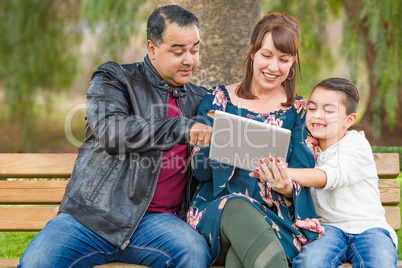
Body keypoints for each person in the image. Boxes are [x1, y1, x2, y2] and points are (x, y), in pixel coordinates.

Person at [18, 5, 213, 268]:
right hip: (91, 218)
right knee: (36, 263)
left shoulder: (200, 100)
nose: (189, 59)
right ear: (152, 49)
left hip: (157, 223)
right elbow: (113, 134)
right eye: (178, 51)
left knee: (194, 253)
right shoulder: (114, 79)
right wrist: (181, 127)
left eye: (194, 50)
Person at [186, 11, 324, 268]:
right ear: (252, 53)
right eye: (266, 55)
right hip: (219, 216)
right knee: (238, 206)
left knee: (238, 260)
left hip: (276, 220)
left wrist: (285, 185)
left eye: (284, 59)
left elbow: (304, 173)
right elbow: (199, 171)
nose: (274, 67)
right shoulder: (218, 100)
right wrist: (216, 140)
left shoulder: (300, 111)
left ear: (293, 63)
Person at [257, 77, 398, 267]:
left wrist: (282, 171)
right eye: (312, 108)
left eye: (329, 110)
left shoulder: (355, 143)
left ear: (349, 120)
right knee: (310, 262)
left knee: (379, 262)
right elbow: (297, 190)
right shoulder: (303, 149)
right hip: (327, 230)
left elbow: (327, 176)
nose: (317, 115)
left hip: (368, 228)